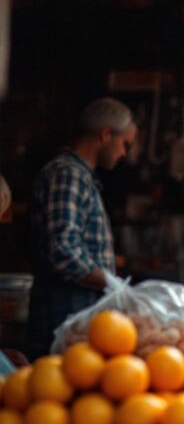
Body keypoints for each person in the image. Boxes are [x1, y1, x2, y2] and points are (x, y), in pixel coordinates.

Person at [26, 98, 137, 357]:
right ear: (106, 134)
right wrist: (111, 283)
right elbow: (62, 250)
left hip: (75, 325)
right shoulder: (68, 175)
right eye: (125, 144)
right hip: (61, 324)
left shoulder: (81, 177)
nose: (124, 154)